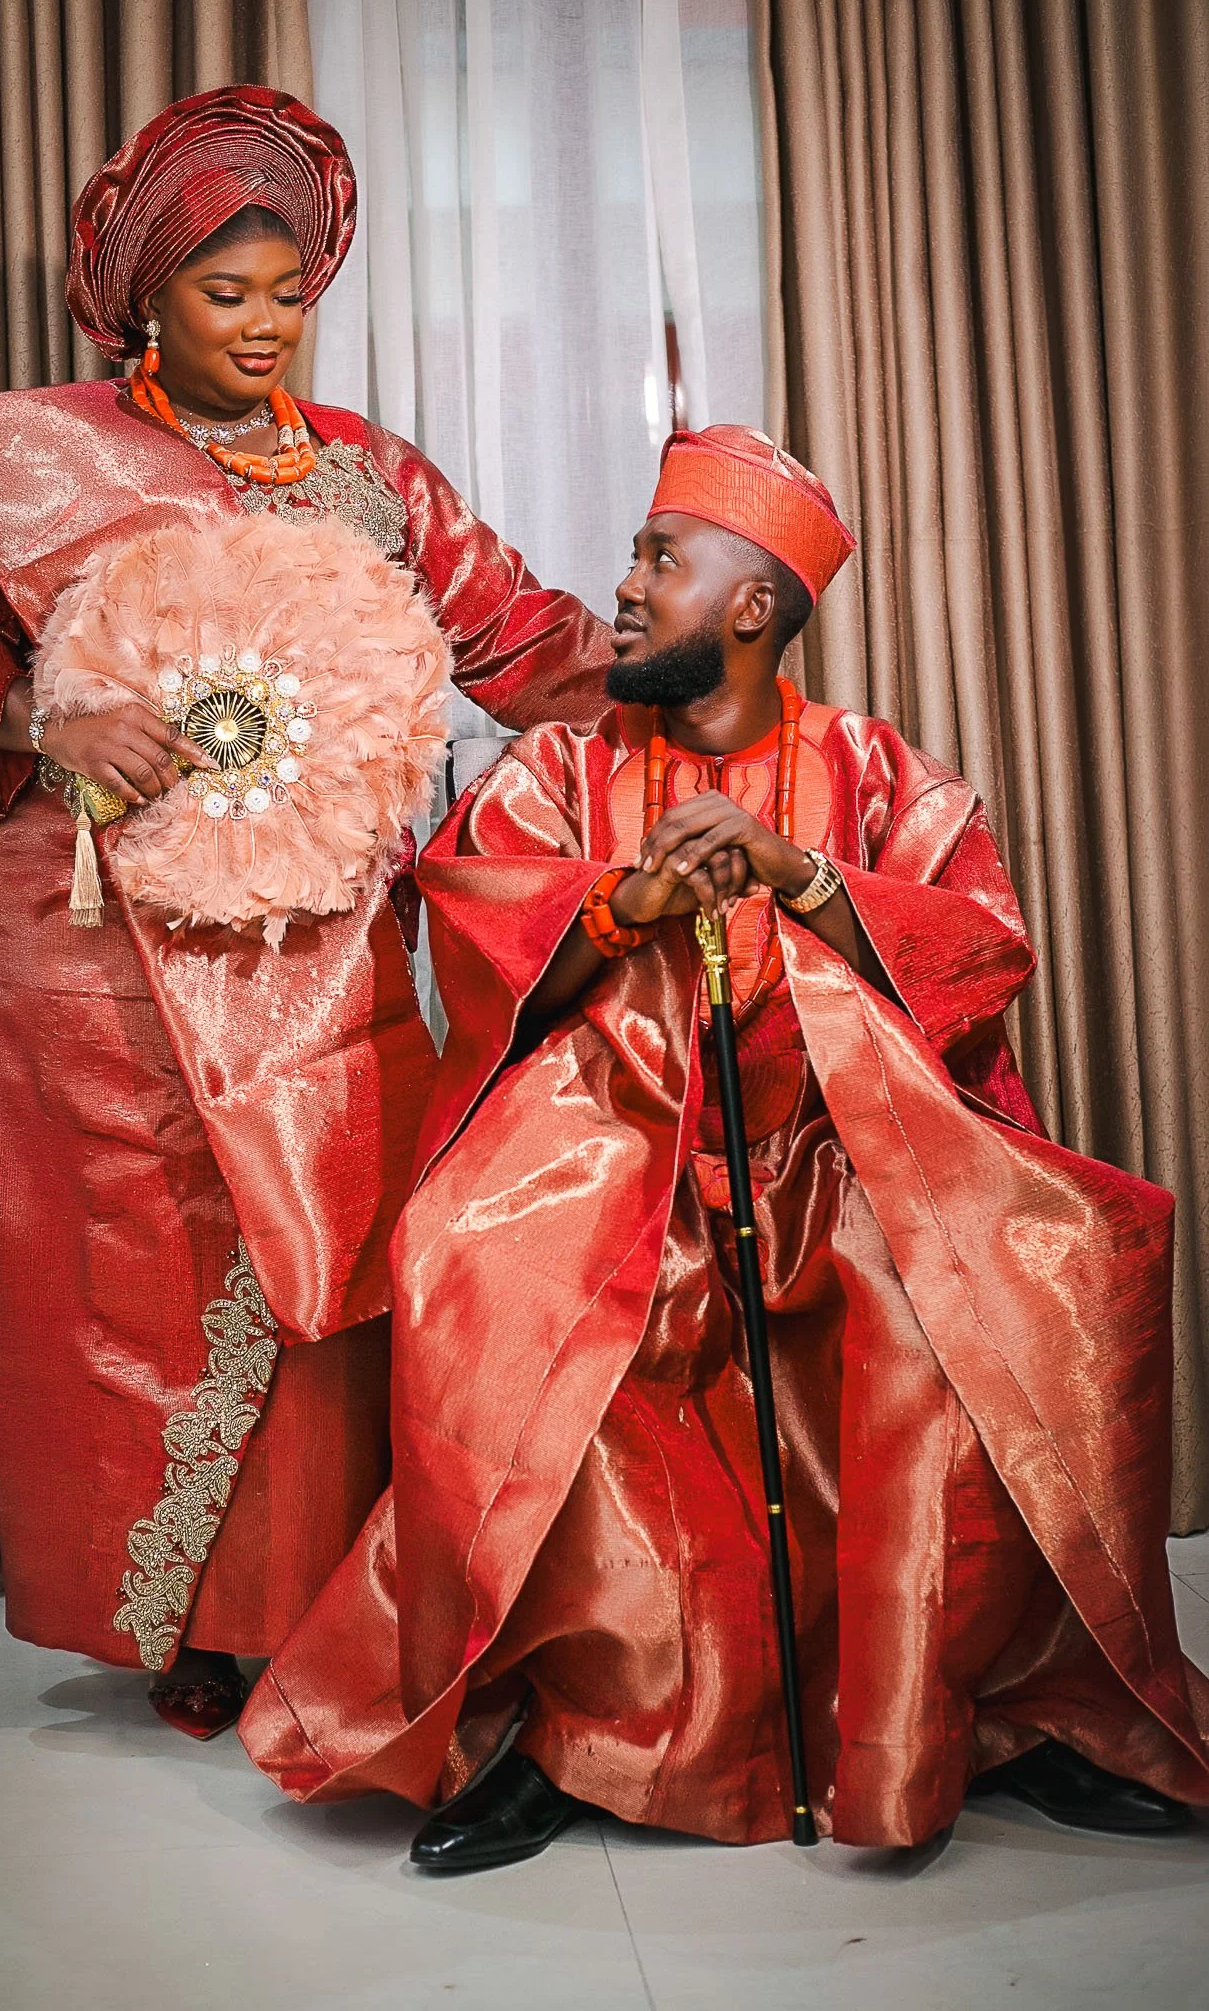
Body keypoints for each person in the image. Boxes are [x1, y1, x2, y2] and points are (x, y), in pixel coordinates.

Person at [240, 424, 1209, 1861]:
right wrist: (621, 907)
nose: (624, 589)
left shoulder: (876, 772)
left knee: (981, 1293)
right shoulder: (561, 769)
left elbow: (978, 955)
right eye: (636, 557)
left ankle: (985, 1711)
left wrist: (802, 878)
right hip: (621, 1159)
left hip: (843, 1163)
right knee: (490, 1273)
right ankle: (570, 1731)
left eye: (659, 559)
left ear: (751, 605)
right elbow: (487, 947)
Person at [0, 86, 611, 1738]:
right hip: (104, 956)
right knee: (140, 1280)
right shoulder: (43, 468)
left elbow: (514, 636)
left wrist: (677, 671)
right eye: (225, 294)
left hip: (311, 940)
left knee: (321, 1252)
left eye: (289, 293)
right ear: (148, 296)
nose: (265, 327)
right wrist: (41, 718)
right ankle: (186, 1625)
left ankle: (323, 1604)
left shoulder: (364, 472)